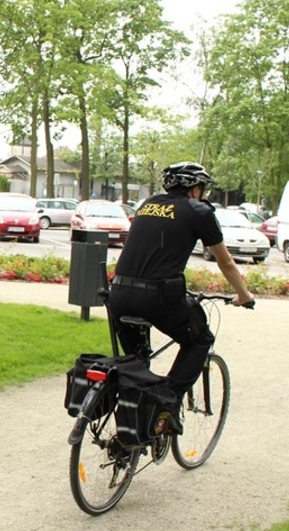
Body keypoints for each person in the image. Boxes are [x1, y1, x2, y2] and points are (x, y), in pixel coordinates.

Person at [108, 162, 254, 400]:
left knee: (135, 362)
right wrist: (244, 296)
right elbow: (225, 263)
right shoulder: (199, 211)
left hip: (119, 294)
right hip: (157, 297)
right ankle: (167, 402)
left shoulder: (147, 204)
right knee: (200, 339)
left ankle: (136, 420)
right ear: (195, 189)